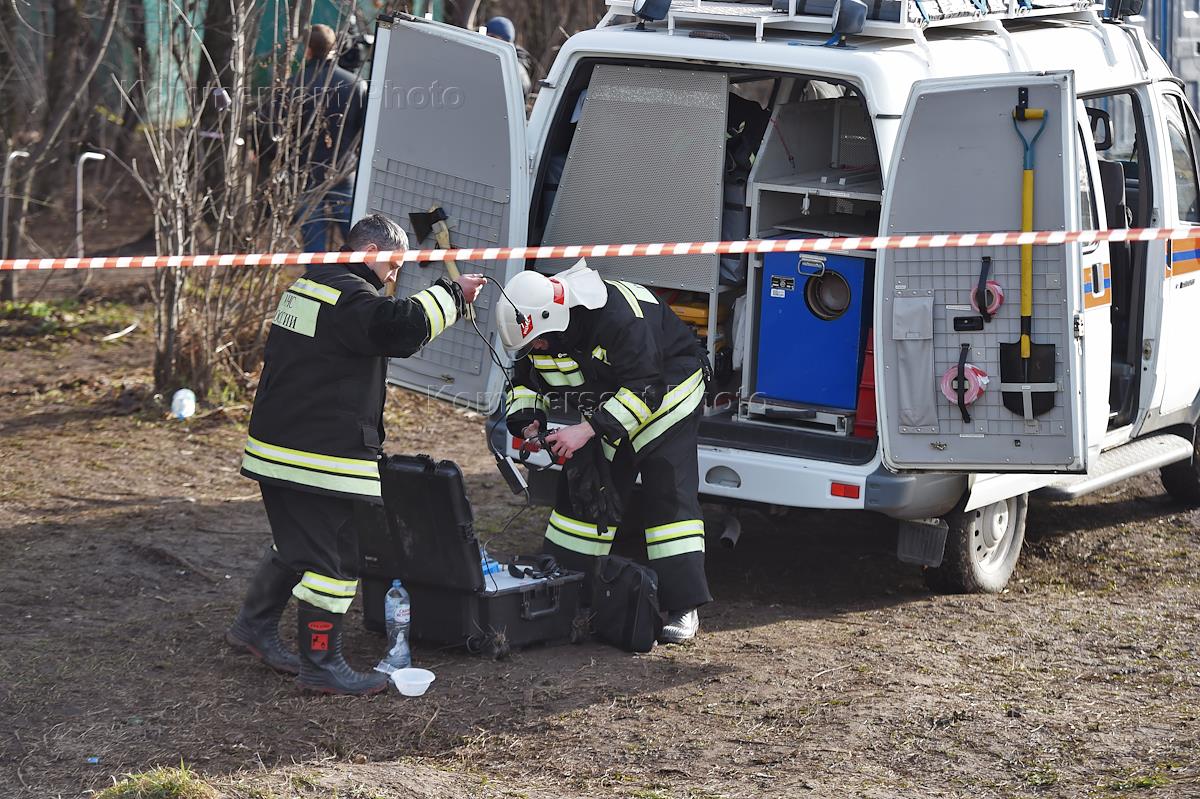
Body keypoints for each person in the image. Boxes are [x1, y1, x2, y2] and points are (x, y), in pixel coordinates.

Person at [226, 214, 485, 695]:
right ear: (372, 254)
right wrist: (453, 295)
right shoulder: (350, 296)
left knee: (295, 545)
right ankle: (321, 664)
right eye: (394, 266)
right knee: (334, 563)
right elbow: (398, 329)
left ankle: (253, 628)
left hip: (278, 447)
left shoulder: (310, 286)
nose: (394, 278)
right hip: (316, 455)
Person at [496, 261, 713, 643]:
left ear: (555, 316)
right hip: (612, 401)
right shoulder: (543, 331)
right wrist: (528, 420)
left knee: (668, 495)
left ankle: (684, 608)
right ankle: (568, 591)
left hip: (669, 392)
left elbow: (647, 389)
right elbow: (524, 381)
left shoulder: (618, 316)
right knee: (585, 489)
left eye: (539, 343)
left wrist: (588, 429)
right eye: (532, 347)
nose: (538, 350)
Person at [294, 24, 368, 253]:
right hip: (343, 172)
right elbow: (364, 133)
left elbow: (276, 134)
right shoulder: (356, 85)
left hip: (306, 174)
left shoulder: (293, 85)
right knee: (360, 246)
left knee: (314, 247)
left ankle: (317, 288)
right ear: (334, 47)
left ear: (307, 50)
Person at [485, 16, 535, 99]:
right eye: (487, 37)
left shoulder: (516, 68)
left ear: (505, 43)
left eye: (493, 38)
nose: (489, 43)